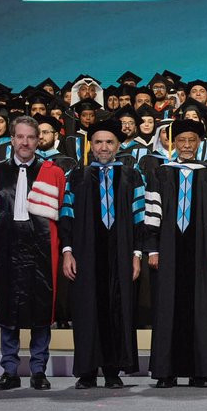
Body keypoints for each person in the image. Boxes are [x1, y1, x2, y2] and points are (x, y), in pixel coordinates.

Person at [0, 115, 66, 391]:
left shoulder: (52, 172)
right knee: (8, 309)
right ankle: (9, 370)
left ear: (38, 140)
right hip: (6, 246)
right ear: (12, 139)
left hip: (41, 248)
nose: (25, 142)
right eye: (20, 137)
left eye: (30, 137)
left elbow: (61, 212)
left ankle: (38, 370)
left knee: (41, 308)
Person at [60, 120, 146, 389]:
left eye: (109, 142)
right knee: (87, 310)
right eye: (98, 142)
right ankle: (86, 371)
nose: (104, 147)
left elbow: (139, 218)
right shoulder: (77, 176)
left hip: (121, 252)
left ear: (118, 145)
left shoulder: (132, 176)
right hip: (86, 253)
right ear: (91, 145)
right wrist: (67, 251)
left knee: (118, 309)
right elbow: (66, 216)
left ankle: (112, 370)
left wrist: (136, 254)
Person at [143, 118, 207, 387]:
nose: (187, 145)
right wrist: (152, 249)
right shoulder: (160, 173)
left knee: (201, 307)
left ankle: (199, 371)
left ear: (199, 143)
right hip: (168, 249)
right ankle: (166, 371)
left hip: (201, 250)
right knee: (167, 307)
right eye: (181, 141)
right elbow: (152, 213)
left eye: (192, 141)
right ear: (173, 143)